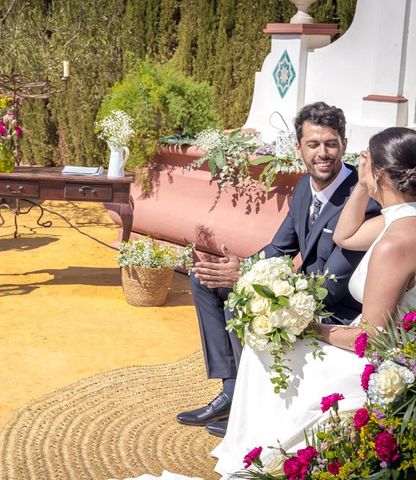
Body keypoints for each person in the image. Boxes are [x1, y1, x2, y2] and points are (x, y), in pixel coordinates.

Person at [211, 127, 416, 478]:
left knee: (268, 352)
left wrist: (310, 327)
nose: (358, 162)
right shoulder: (396, 220)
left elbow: (369, 340)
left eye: (365, 157)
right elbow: (344, 235)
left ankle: (262, 453)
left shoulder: (392, 243)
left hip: (383, 360)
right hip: (382, 341)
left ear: (381, 173)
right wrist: (364, 185)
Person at [176, 102, 380, 436]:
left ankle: (249, 402)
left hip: (335, 310)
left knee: (246, 295)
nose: (323, 153)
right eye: (313, 144)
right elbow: (279, 248)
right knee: (206, 282)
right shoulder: (304, 186)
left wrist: (254, 281)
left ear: (344, 143)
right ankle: (233, 389)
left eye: (331, 143)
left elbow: (333, 286)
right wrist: (241, 268)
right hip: (299, 289)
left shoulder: (361, 201)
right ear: (299, 148)